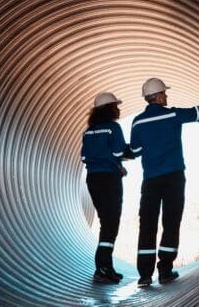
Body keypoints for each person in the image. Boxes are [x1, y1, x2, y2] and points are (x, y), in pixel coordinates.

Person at [127, 78, 199, 286]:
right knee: (171, 223)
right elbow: (197, 113)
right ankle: (165, 271)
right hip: (173, 177)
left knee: (147, 225)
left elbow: (135, 151)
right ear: (158, 96)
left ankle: (145, 275)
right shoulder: (172, 114)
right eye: (164, 92)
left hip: (151, 180)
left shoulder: (138, 122)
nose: (167, 95)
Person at [80, 92, 131, 284]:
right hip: (110, 180)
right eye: (116, 105)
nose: (118, 108)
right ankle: (102, 268)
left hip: (93, 179)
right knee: (110, 225)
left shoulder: (88, 131)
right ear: (109, 108)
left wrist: (115, 164)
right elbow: (118, 151)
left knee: (106, 223)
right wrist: (119, 163)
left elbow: (85, 157)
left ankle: (106, 267)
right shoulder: (113, 128)